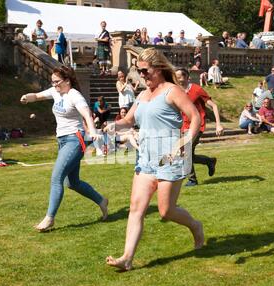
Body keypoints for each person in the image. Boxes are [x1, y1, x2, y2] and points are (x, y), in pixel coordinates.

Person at [104, 48, 204, 271]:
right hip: (146, 159)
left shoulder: (172, 91)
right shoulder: (141, 95)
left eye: (145, 71)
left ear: (158, 69)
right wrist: (114, 125)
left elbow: (194, 117)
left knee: (165, 211)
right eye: (139, 71)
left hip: (170, 158)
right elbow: (129, 121)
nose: (142, 75)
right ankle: (127, 258)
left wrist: (185, 142)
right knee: (136, 207)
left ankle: (195, 226)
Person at [20, 66, 109, 231]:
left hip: (76, 139)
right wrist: (27, 97)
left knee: (56, 178)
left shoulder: (74, 95)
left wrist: (93, 131)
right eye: (52, 82)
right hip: (62, 140)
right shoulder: (56, 92)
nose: (54, 85)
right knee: (73, 183)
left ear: (67, 81)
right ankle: (102, 201)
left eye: (56, 82)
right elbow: (38, 96)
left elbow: (87, 114)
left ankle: (49, 218)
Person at [175, 68, 224, 187]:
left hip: (197, 125)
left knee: (185, 151)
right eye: (175, 77)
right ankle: (209, 161)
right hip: (183, 126)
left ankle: (192, 179)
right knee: (187, 153)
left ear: (187, 77)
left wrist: (218, 124)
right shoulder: (176, 92)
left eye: (179, 77)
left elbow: (214, 106)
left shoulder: (197, 90)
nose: (177, 79)